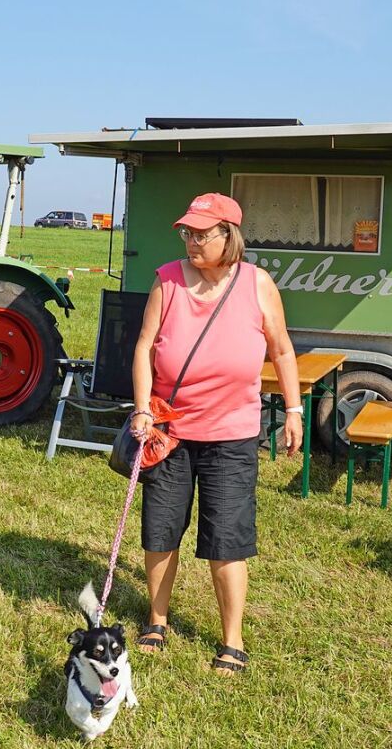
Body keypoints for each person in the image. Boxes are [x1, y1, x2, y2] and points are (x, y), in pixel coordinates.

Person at [129, 192, 303, 675]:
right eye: (187, 232)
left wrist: (293, 409)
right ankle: (157, 620)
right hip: (170, 431)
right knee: (160, 530)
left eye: (202, 234)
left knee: (227, 535)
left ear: (230, 236)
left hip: (232, 434)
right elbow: (144, 348)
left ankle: (232, 639)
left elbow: (283, 350)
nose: (191, 242)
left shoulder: (257, 284)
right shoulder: (166, 281)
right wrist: (142, 409)